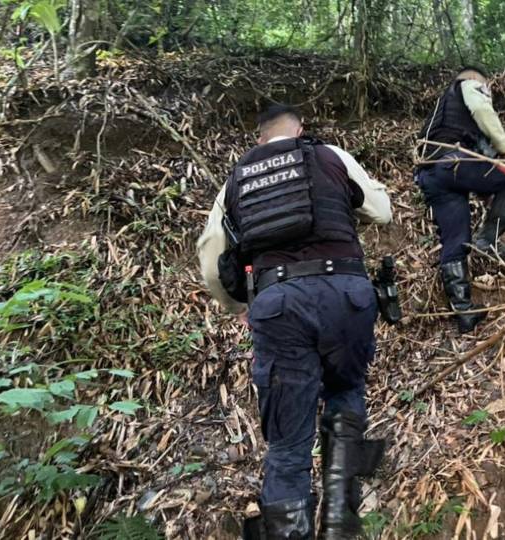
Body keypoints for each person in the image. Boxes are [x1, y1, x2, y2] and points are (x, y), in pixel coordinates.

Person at [197, 104, 392, 539]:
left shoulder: (238, 178)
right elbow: (382, 211)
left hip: (280, 304)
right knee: (346, 390)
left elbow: (211, 257)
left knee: (288, 442)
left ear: (259, 138)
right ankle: (341, 523)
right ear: (300, 130)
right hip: (347, 295)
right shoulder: (330, 156)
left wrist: (238, 306)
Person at [415, 65, 505, 334]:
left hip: (430, 173)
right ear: (479, 81)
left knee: (455, 239)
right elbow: (482, 111)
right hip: (454, 164)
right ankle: (488, 241)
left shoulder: (440, 113)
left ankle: (464, 311)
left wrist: (485, 184)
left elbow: (472, 147)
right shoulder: (469, 85)